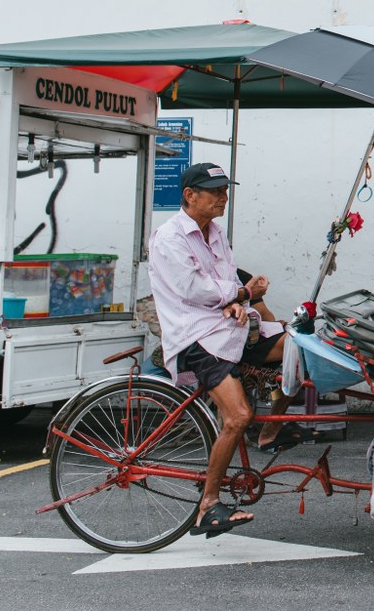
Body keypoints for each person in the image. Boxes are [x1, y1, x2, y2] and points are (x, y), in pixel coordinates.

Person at [147, 162, 303, 538]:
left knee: (299, 347)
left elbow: (225, 279)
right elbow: (196, 290)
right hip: (196, 339)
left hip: (228, 326)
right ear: (190, 195)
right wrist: (242, 295)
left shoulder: (215, 232)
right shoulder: (169, 239)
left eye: (225, 190)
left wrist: (236, 299)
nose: (224, 198)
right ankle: (208, 505)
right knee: (237, 416)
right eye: (215, 191)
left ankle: (269, 436)